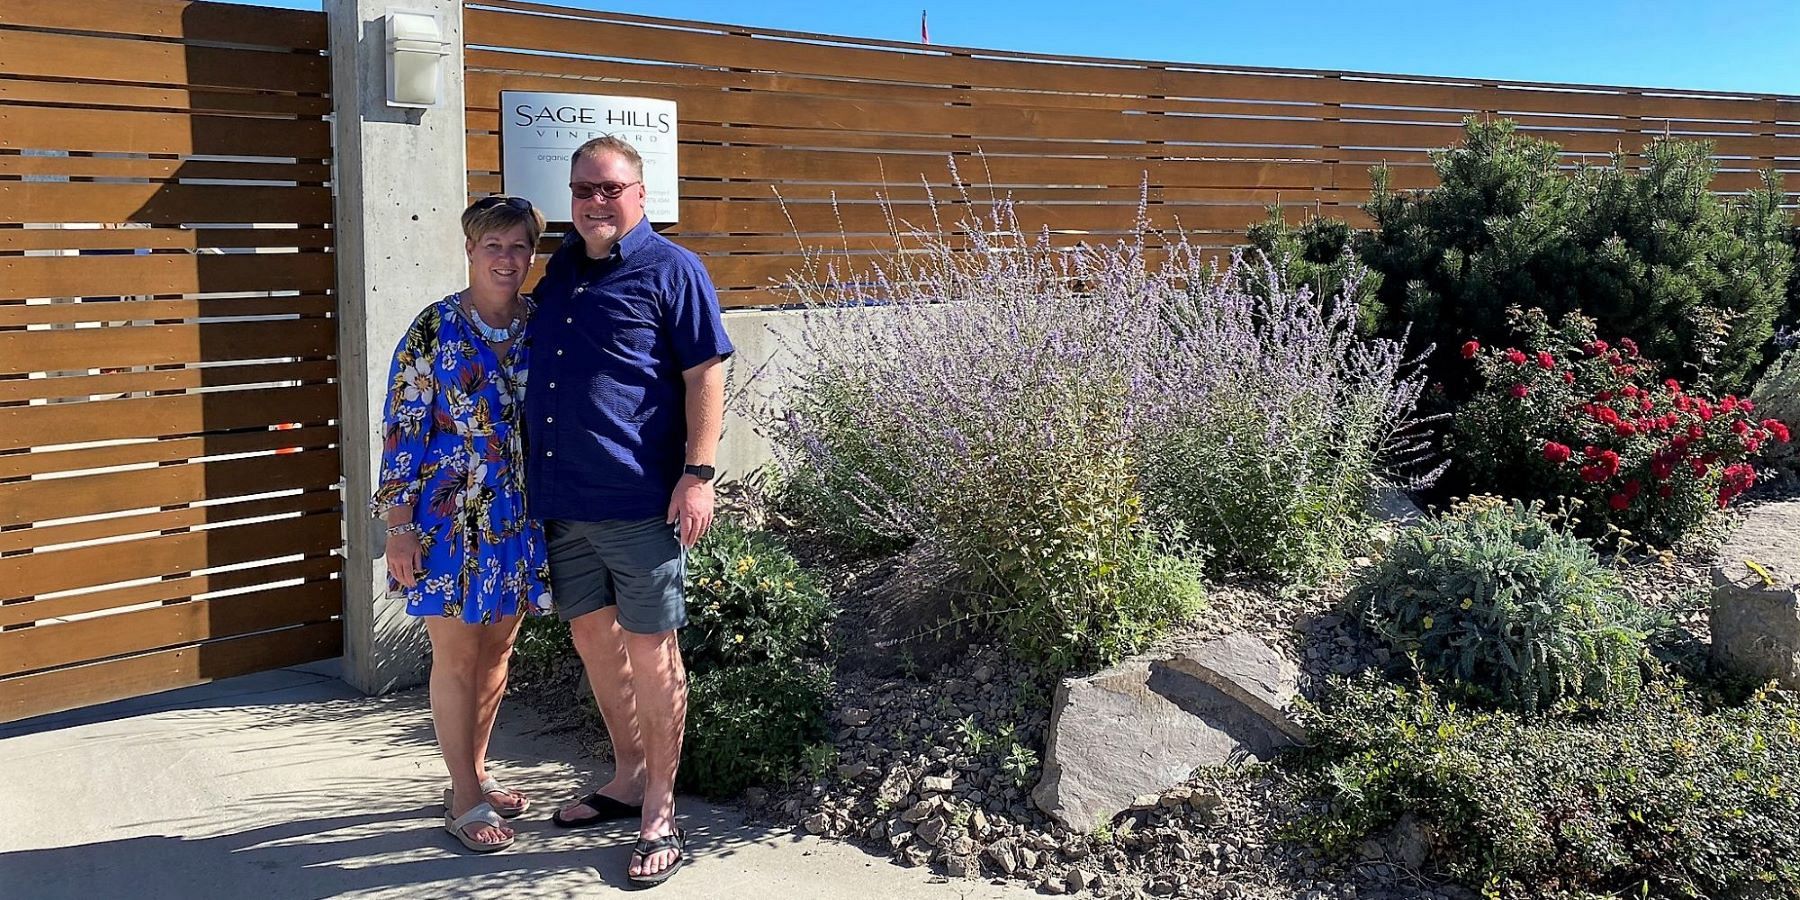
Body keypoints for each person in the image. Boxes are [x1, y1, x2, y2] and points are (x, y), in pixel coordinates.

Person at [526, 135, 732, 886]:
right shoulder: (563, 271)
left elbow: (704, 374)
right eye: (583, 189)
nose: (594, 202)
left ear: (640, 195)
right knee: (593, 644)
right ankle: (624, 776)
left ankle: (660, 810)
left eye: (610, 189)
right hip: (565, 501)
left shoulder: (673, 270)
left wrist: (698, 473)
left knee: (653, 653)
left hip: (639, 502)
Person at [370, 195, 553, 854]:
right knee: (457, 658)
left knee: (497, 655)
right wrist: (397, 527)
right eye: (493, 246)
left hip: (519, 521)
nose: (507, 260)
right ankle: (463, 798)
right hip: (447, 521)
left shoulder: (541, 324)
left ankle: (471, 776)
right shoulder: (433, 330)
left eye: (518, 247)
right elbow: (402, 433)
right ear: (470, 250)